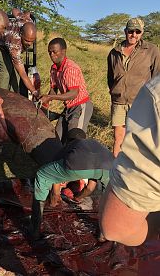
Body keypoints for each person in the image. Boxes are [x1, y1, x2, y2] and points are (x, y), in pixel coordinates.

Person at [100, 76, 160, 247]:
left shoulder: (156, 94)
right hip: (121, 100)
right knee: (118, 137)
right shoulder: (115, 54)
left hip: (138, 105)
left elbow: (115, 227)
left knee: (115, 225)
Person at [30, 128, 114, 239]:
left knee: (42, 175)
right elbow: (90, 187)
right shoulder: (95, 144)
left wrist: (54, 198)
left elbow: (55, 177)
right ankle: (103, 234)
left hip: (76, 164)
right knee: (107, 201)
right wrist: (78, 198)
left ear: (68, 140)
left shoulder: (72, 144)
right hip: (111, 168)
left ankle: (35, 230)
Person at [107, 17, 160, 157]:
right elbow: (110, 78)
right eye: (131, 31)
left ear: (142, 33)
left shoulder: (151, 50)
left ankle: (135, 173)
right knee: (118, 138)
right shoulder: (114, 53)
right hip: (119, 102)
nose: (134, 35)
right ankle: (115, 172)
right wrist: (115, 92)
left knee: (139, 139)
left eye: (138, 31)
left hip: (140, 102)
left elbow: (157, 78)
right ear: (125, 31)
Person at [39, 38, 93, 143]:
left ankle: (76, 159)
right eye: (49, 52)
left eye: (55, 51)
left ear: (63, 51)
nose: (51, 55)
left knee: (75, 139)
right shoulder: (54, 68)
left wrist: (50, 97)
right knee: (57, 137)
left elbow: (74, 93)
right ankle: (61, 159)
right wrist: (44, 101)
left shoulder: (70, 68)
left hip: (80, 105)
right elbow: (53, 89)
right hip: (68, 107)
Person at [0, 8, 38, 98]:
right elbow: (23, 74)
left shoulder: (27, 20)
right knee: (5, 71)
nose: (29, 44)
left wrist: (24, 14)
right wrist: (34, 91)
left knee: (15, 73)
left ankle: (13, 98)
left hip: (6, 45)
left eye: (32, 41)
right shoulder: (15, 43)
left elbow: (14, 10)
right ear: (21, 34)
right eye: (26, 40)